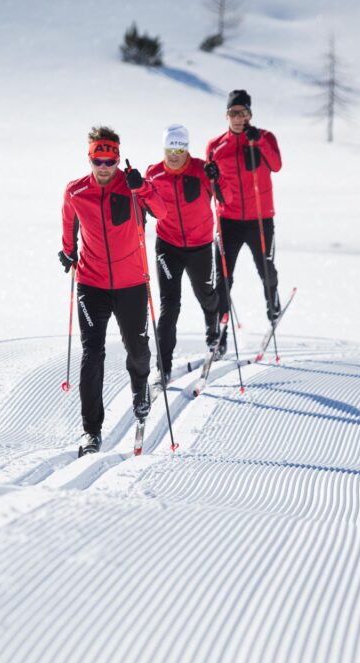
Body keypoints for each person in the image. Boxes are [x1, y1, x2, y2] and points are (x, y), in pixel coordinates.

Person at [58, 126, 168, 456]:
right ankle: (91, 431)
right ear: (90, 158)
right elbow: (68, 226)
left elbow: (162, 213)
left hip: (132, 283)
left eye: (110, 160)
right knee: (92, 354)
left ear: (118, 158)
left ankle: (140, 388)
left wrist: (145, 188)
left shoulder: (132, 187)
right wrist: (67, 251)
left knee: (138, 349)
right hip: (91, 284)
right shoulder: (76, 192)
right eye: (98, 160)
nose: (104, 166)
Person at [145, 124, 233, 386]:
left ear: (187, 149)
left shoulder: (202, 170)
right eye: (170, 148)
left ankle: (213, 331)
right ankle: (163, 367)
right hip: (168, 246)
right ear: (164, 148)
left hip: (200, 246)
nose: (175, 154)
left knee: (206, 294)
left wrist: (219, 178)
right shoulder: (154, 173)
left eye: (180, 148)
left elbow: (225, 198)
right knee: (169, 305)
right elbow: (145, 203)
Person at [205, 89, 283, 357]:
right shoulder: (215, 146)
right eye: (233, 113)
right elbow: (212, 187)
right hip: (229, 221)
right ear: (226, 115)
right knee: (223, 279)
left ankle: (272, 304)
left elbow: (276, 165)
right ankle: (220, 331)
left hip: (261, 219)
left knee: (266, 269)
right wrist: (211, 178)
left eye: (243, 113)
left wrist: (259, 141)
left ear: (250, 114)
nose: (238, 118)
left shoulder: (265, 137)